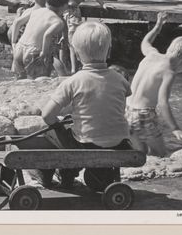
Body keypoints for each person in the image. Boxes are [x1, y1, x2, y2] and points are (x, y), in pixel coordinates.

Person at [40, 22, 132, 188]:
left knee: (53, 133)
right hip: (119, 142)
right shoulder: (120, 80)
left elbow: (47, 115)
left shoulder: (73, 82)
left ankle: (63, 175)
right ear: (109, 50)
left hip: (85, 143)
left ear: (74, 53)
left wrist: (58, 125)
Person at [126, 12, 182, 157]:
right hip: (144, 115)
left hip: (127, 109)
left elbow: (145, 42)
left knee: (139, 154)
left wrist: (158, 26)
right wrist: (175, 128)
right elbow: (163, 102)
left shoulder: (152, 54)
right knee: (160, 154)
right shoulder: (169, 72)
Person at [12, 0, 73, 79]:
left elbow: (18, 22)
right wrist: (44, 54)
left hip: (19, 48)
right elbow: (47, 35)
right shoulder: (58, 21)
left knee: (20, 80)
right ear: (64, 5)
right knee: (38, 81)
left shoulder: (36, 11)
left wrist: (14, 42)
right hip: (34, 52)